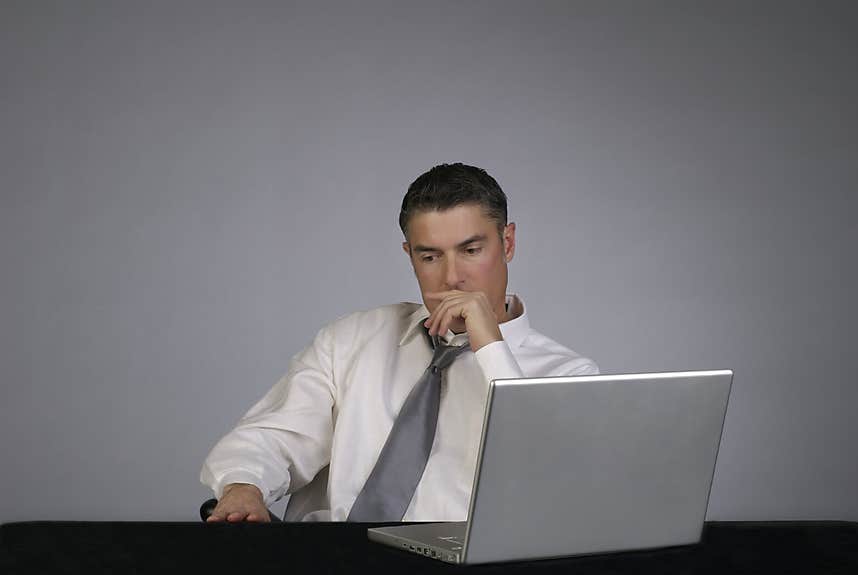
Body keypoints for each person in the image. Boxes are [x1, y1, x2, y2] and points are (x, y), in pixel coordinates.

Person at [200, 163, 599, 522]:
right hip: (325, 570)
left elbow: (546, 488)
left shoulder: (569, 376)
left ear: (507, 243)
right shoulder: (351, 340)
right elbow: (273, 436)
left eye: (471, 250)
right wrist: (243, 487)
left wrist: (490, 349)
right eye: (430, 257)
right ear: (409, 256)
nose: (452, 277)